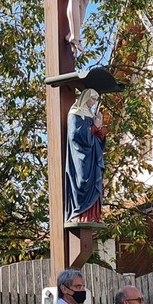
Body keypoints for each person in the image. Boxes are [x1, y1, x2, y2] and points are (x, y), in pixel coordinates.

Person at [64, 89, 107, 229]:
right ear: (85, 97)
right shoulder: (75, 113)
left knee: (95, 182)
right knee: (82, 181)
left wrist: (100, 131)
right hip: (80, 155)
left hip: (93, 155)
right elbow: (75, 135)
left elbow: (96, 137)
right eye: (92, 99)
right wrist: (94, 127)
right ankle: (79, 213)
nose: (93, 102)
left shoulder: (91, 115)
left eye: (95, 100)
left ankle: (93, 215)